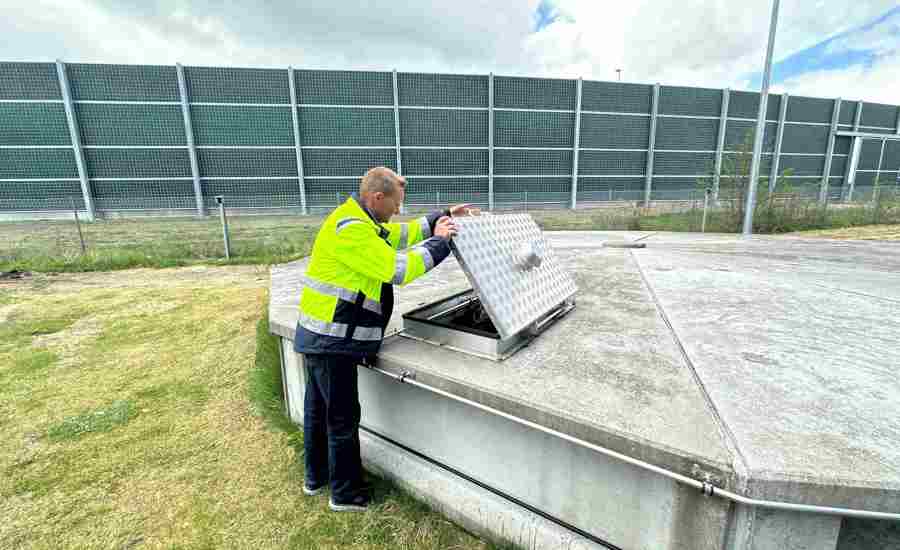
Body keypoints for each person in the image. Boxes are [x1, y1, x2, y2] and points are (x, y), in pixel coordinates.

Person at [294, 166, 468, 512]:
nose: (398, 211)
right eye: (396, 204)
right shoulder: (353, 233)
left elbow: (401, 234)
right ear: (377, 197)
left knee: (318, 412)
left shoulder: (359, 220)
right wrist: (442, 241)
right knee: (342, 419)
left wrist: (442, 216)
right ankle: (346, 494)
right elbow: (398, 268)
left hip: (318, 336)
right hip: (333, 342)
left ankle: (316, 478)